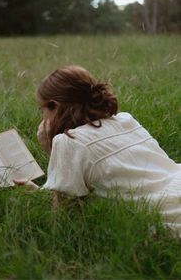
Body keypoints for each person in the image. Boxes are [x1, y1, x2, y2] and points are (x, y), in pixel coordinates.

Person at [14, 65, 181, 236]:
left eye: (42, 109)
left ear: (55, 106)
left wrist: (50, 147)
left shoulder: (69, 142)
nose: (43, 117)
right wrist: (38, 190)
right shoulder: (125, 120)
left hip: (169, 213)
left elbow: (64, 216)